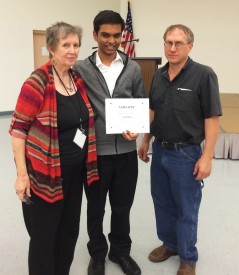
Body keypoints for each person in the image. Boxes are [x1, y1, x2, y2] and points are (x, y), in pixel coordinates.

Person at [9, 22, 99, 275]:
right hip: (44, 176)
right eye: (66, 45)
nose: (72, 50)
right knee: (44, 238)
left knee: (69, 232)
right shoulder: (36, 82)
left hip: (73, 174)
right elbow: (18, 130)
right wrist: (21, 175)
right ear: (52, 48)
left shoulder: (76, 78)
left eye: (76, 45)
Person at [138, 24, 222, 275]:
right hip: (160, 151)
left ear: (189, 46)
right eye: (168, 43)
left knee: (186, 207)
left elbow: (212, 119)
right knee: (162, 202)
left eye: (178, 43)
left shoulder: (203, 75)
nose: (172, 48)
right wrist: (145, 140)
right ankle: (170, 244)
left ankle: (188, 256)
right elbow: (153, 111)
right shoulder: (159, 75)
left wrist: (207, 157)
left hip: (186, 154)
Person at [73, 10, 145, 275]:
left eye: (117, 35)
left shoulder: (133, 67)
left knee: (122, 206)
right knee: (95, 207)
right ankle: (98, 254)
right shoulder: (81, 68)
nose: (112, 40)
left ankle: (120, 252)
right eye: (106, 35)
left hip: (126, 153)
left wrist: (136, 128)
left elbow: (140, 104)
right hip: (95, 154)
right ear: (95, 35)